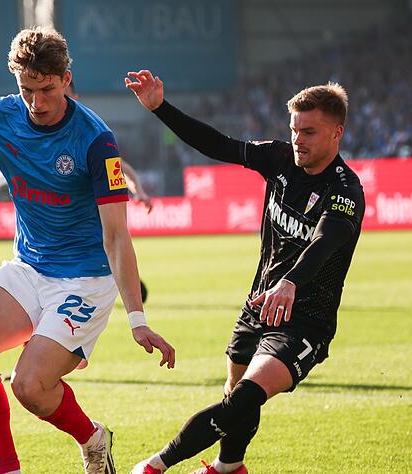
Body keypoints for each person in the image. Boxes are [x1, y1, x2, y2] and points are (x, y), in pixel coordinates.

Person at [0, 30, 176, 474]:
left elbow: (117, 235)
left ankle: (93, 438)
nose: (37, 102)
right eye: (27, 90)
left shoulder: (96, 140)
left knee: (30, 387)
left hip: (84, 279)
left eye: (47, 90)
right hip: (29, 266)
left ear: (66, 79)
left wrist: (138, 319)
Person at [125, 70, 365, 474]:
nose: (297, 140)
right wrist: (159, 108)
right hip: (260, 303)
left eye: (308, 132)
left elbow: (325, 242)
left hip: (306, 320)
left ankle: (154, 466)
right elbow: (218, 144)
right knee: (234, 396)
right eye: (293, 130)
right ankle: (230, 466)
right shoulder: (278, 159)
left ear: (336, 132)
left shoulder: (345, 191)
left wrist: (291, 282)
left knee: (246, 397)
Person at [0, 80, 154, 214]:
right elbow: (23, 168)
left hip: (86, 229)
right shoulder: (37, 133)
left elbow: (118, 165)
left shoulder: (90, 133)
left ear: (74, 96)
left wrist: (139, 190)